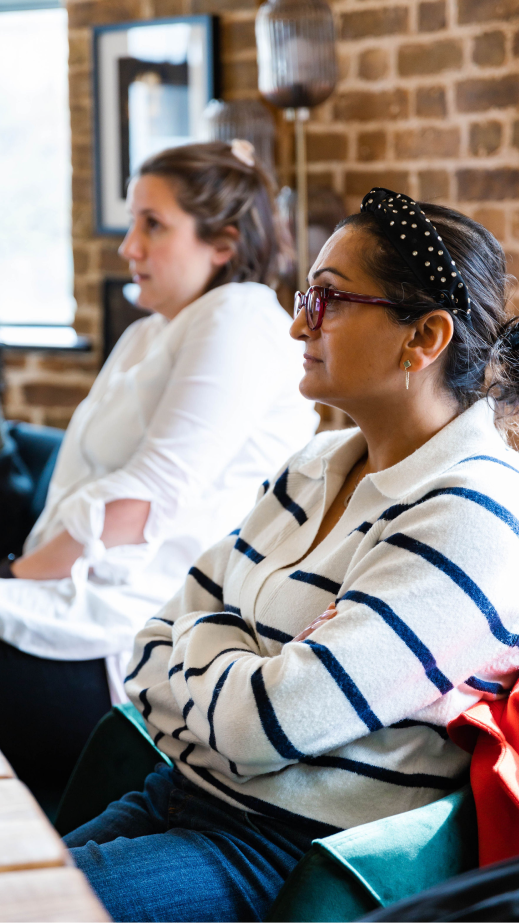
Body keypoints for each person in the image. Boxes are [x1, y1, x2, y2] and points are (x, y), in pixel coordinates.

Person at [65, 187, 519, 923]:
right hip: (180, 790)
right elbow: (149, 642)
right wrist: (233, 682)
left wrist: (216, 657)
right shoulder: (312, 464)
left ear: (423, 337)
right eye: (305, 294)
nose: (296, 325)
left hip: (281, 848)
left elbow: (261, 723)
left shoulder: (473, 517)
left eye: (327, 299)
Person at [0, 141, 317, 801]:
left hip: (119, 634)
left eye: (153, 224)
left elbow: (143, 503)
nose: (128, 246)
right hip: (65, 599)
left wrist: (15, 572)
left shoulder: (238, 319)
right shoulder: (153, 329)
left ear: (223, 243)